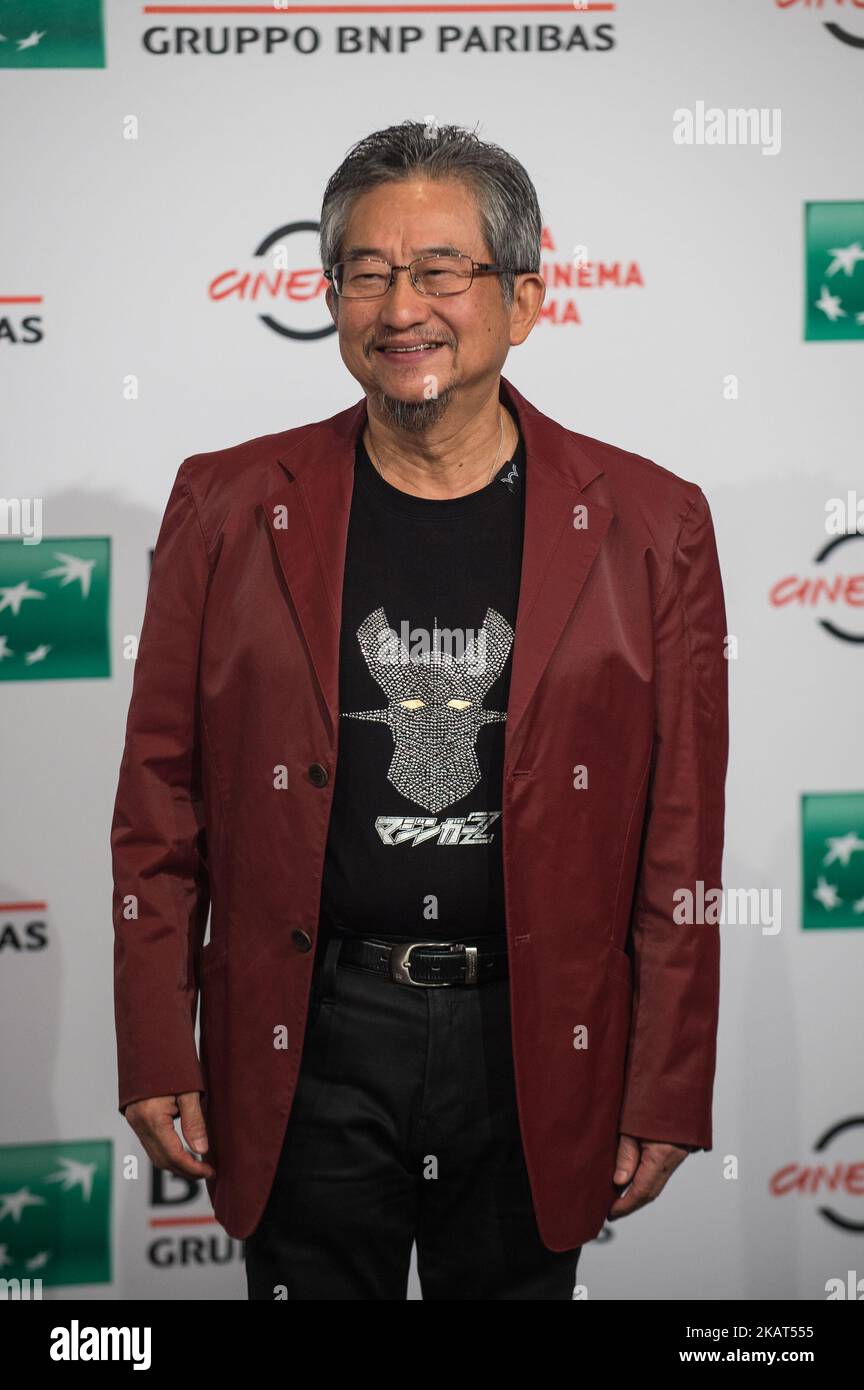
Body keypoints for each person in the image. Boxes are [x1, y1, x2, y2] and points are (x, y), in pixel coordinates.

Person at [111, 120, 729, 1301]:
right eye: (368, 272)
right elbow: (160, 796)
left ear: (526, 297)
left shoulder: (656, 525)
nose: (405, 307)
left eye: (443, 270)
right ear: (332, 294)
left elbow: (680, 832)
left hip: (538, 1033)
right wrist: (153, 1040)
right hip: (312, 1035)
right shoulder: (228, 503)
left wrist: (665, 1080)